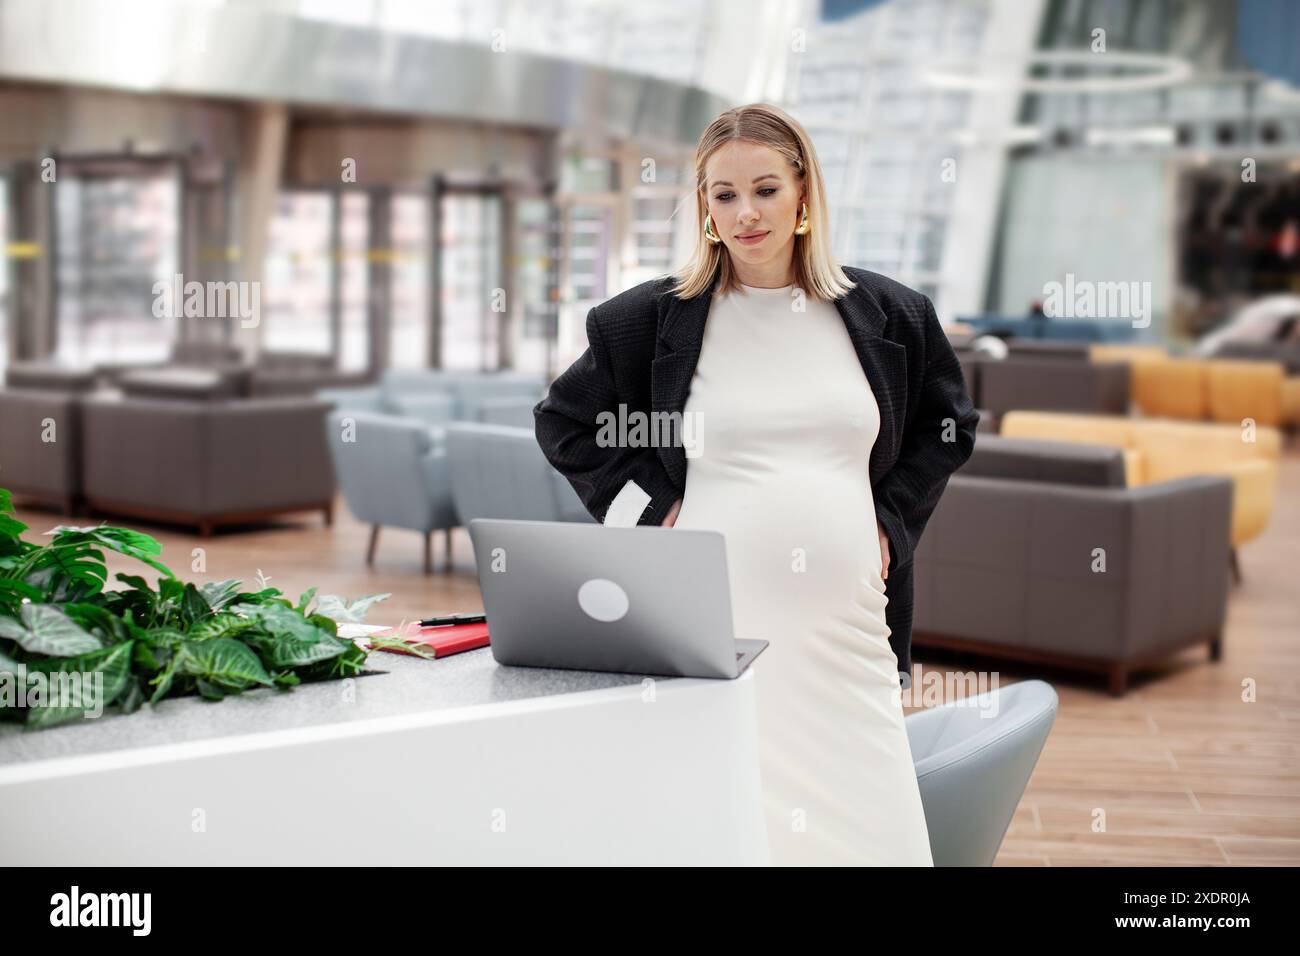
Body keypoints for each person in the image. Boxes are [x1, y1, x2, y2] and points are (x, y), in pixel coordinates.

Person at [534, 103, 979, 865]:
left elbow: (951, 427)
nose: (746, 214)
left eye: (766, 190)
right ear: (703, 206)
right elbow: (566, 424)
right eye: (724, 194)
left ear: (805, 193)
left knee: (878, 828)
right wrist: (653, 517)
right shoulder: (647, 321)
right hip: (718, 624)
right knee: (738, 825)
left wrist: (890, 526)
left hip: (849, 627)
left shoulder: (893, 315)